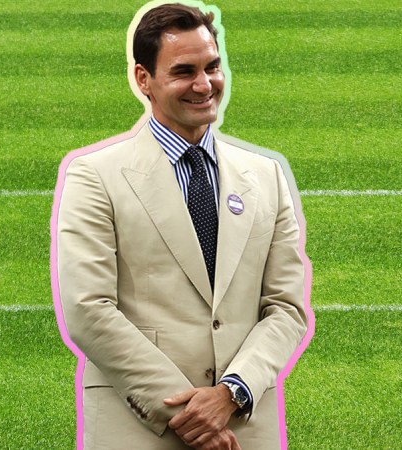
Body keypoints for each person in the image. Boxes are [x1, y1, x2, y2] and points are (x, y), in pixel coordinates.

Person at [54, 2, 309, 449]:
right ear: (143, 79)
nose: (204, 84)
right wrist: (189, 415)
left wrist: (231, 394)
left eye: (212, 67)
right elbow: (88, 309)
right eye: (184, 71)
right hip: (139, 428)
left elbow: (286, 308)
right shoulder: (94, 176)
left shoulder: (266, 175)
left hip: (243, 427)